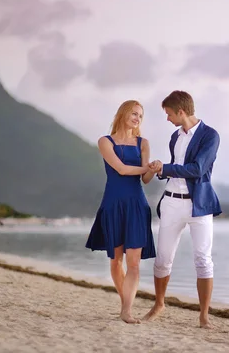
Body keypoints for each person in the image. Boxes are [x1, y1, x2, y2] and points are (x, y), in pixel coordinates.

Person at [142, 90, 222, 328]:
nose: (167, 119)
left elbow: (197, 169)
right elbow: (176, 167)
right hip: (171, 202)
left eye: (168, 114)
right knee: (163, 259)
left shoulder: (210, 136)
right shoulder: (174, 137)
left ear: (181, 112)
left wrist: (164, 168)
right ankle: (159, 304)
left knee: (203, 259)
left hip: (199, 205)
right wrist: (161, 168)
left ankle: (204, 315)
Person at [85, 100, 157, 324]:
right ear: (123, 113)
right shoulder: (105, 141)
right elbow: (122, 169)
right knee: (116, 261)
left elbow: (144, 179)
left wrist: (152, 170)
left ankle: (127, 310)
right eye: (134, 113)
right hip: (113, 205)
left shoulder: (143, 143)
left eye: (141, 116)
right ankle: (124, 304)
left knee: (134, 263)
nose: (137, 118)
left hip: (136, 205)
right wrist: (147, 167)